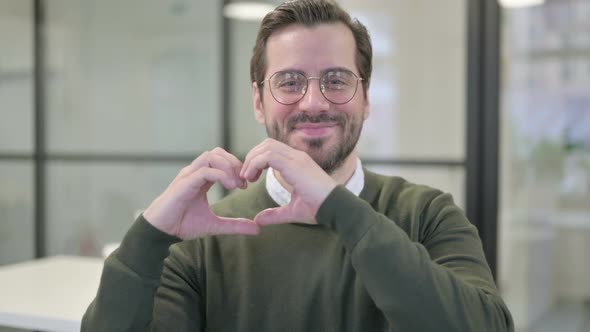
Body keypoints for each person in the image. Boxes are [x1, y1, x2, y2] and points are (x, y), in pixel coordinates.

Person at [81, 0, 514, 331]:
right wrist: (146, 240)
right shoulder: (206, 230)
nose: (313, 102)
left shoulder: (427, 213)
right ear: (257, 100)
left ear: (365, 100)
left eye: (337, 80)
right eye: (289, 82)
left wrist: (338, 209)